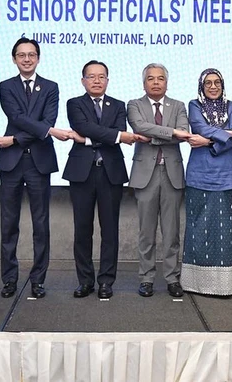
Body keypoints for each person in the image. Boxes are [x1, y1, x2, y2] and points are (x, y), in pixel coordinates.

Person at [0, 38, 74, 299]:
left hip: (38, 162)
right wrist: (46, 131)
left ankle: (38, 280)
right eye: (21, 55)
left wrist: (17, 138)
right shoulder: (5, 86)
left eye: (31, 55)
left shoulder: (51, 87)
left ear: (38, 58)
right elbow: (16, 117)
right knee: (9, 224)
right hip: (11, 163)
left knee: (41, 224)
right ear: (14, 58)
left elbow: (47, 120)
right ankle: (9, 279)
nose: (26, 59)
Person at [181, 68, 232, 296]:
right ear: (202, 86)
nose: (213, 87)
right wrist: (229, 136)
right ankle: (198, 283)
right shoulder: (194, 105)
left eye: (217, 82)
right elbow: (199, 127)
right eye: (208, 83)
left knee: (228, 228)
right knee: (199, 228)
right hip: (200, 175)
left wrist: (208, 142)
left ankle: (229, 284)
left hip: (228, 175)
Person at [64, 60, 136, 299]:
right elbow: (83, 126)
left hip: (110, 172)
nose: (96, 80)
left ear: (107, 80)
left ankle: (106, 281)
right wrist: (115, 136)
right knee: (82, 229)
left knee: (110, 229)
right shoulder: (74, 103)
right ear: (83, 80)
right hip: (82, 173)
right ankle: (85, 281)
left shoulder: (118, 105)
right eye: (91, 76)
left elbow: (92, 131)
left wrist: (85, 138)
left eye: (101, 76)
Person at [127, 63, 190, 298]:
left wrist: (153, 137)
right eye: (151, 79)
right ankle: (146, 278)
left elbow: (183, 132)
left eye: (160, 78)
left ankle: (173, 278)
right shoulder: (134, 105)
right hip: (146, 175)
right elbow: (139, 127)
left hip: (172, 174)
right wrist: (171, 133)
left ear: (166, 82)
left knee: (172, 232)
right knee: (146, 232)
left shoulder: (179, 106)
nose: (156, 82)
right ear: (144, 83)